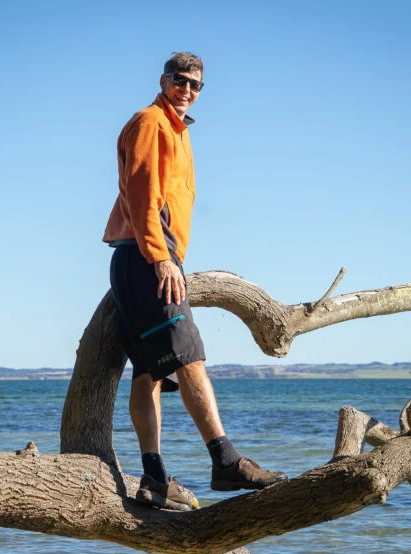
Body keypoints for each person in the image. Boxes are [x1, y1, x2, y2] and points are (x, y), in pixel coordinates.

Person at [103, 52, 287, 512]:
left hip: (143, 257)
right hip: (148, 257)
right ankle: (225, 460)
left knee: (148, 372)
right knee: (189, 357)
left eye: (195, 84)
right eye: (179, 80)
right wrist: (161, 258)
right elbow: (142, 193)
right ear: (163, 80)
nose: (187, 89)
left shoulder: (178, 131)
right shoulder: (151, 122)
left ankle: (153, 479)